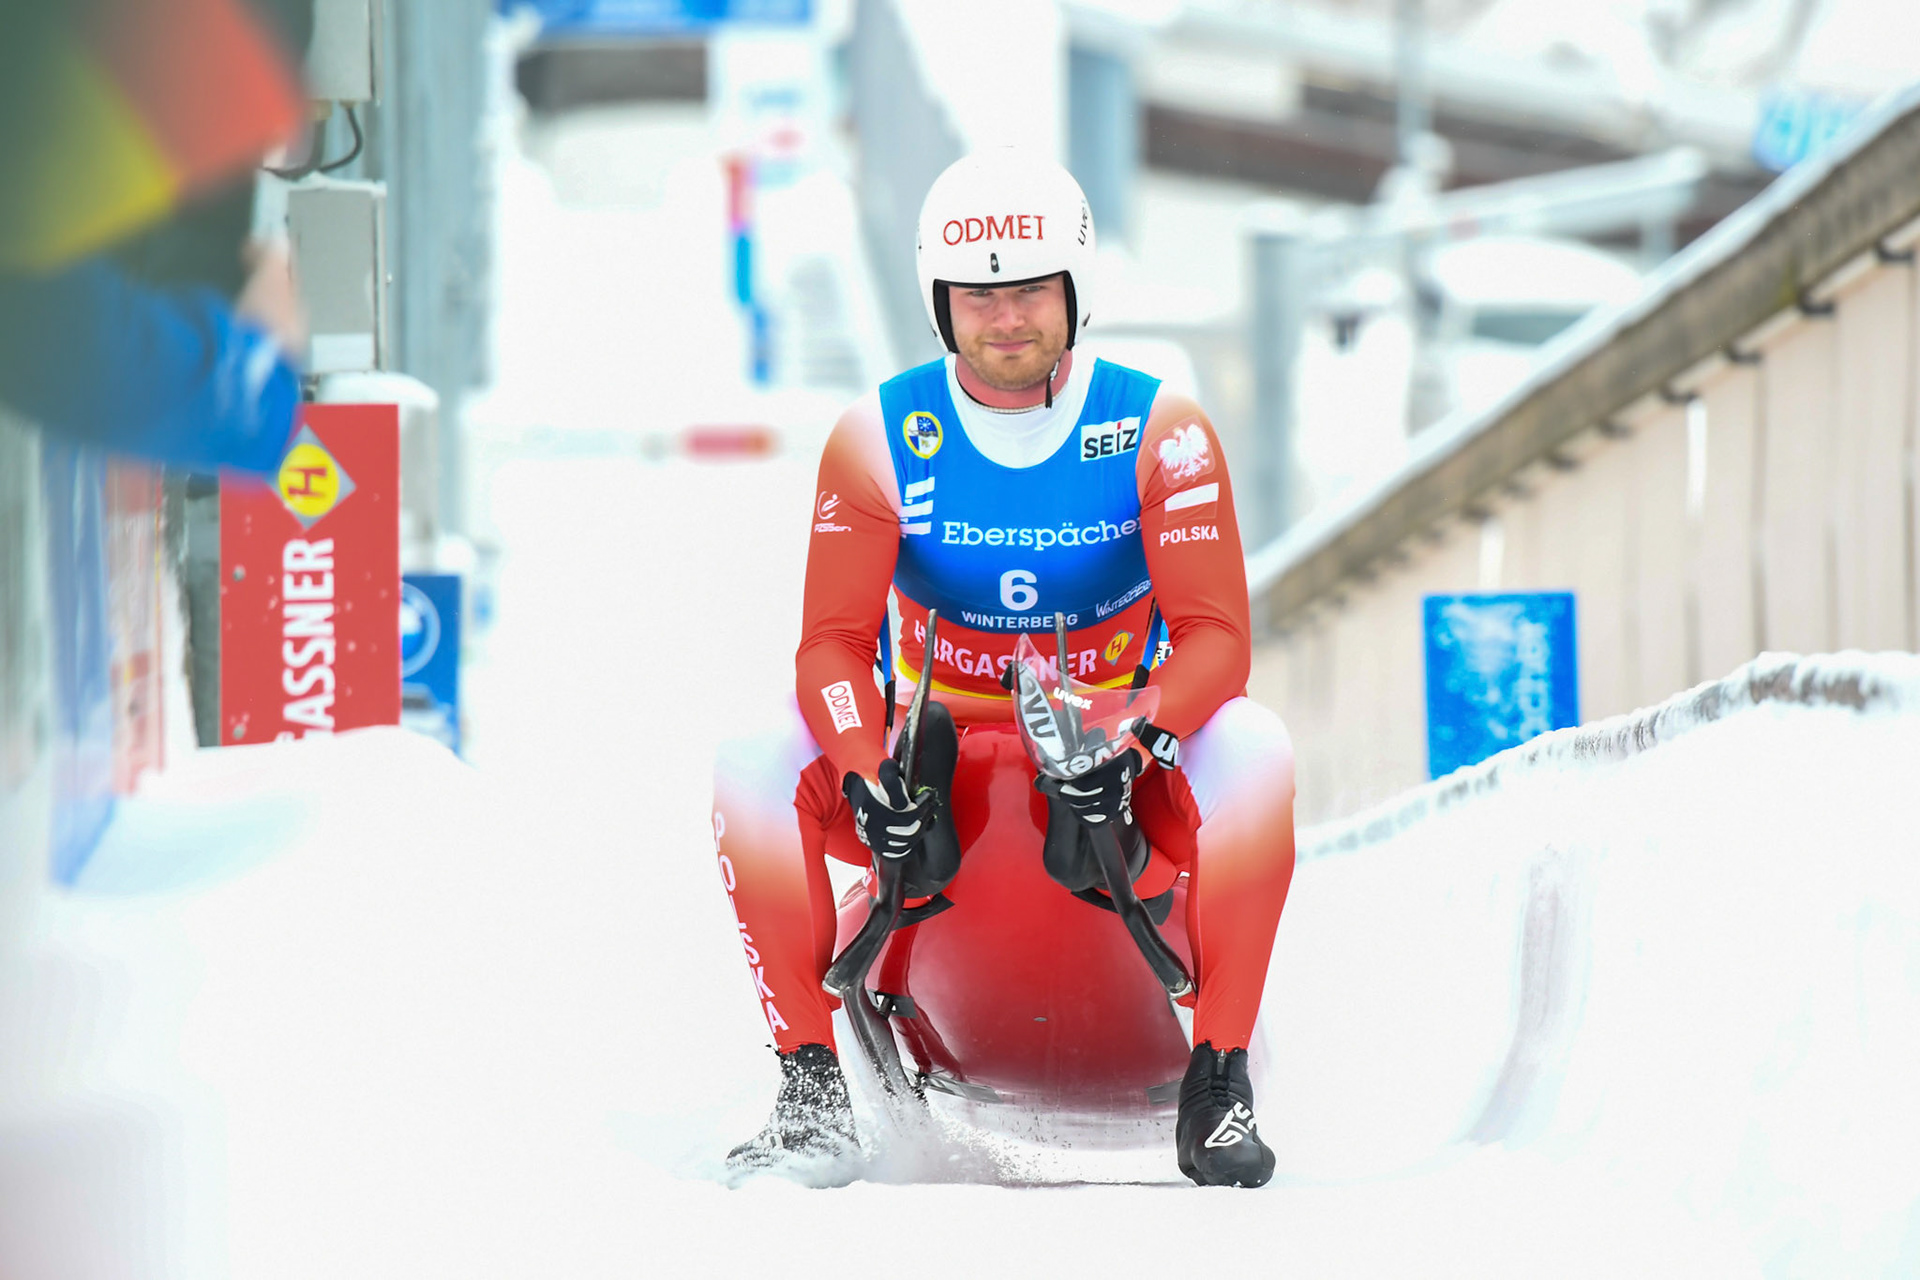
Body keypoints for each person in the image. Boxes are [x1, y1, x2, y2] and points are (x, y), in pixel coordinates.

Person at [711, 150, 1297, 1187]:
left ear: (1076, 290)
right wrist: (863, 769)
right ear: (939, 302)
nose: (1007, 318)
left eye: (1031, 290)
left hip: (1106, 758)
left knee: (1254, 745)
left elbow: (1217, 637)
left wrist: (1135, 737)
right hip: (932, 763)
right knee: (753, 755)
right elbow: (832, 645)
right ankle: (809, 1096)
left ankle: (1220, 1085)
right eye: (978, 295)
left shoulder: (1163, 430)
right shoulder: (876, 436)